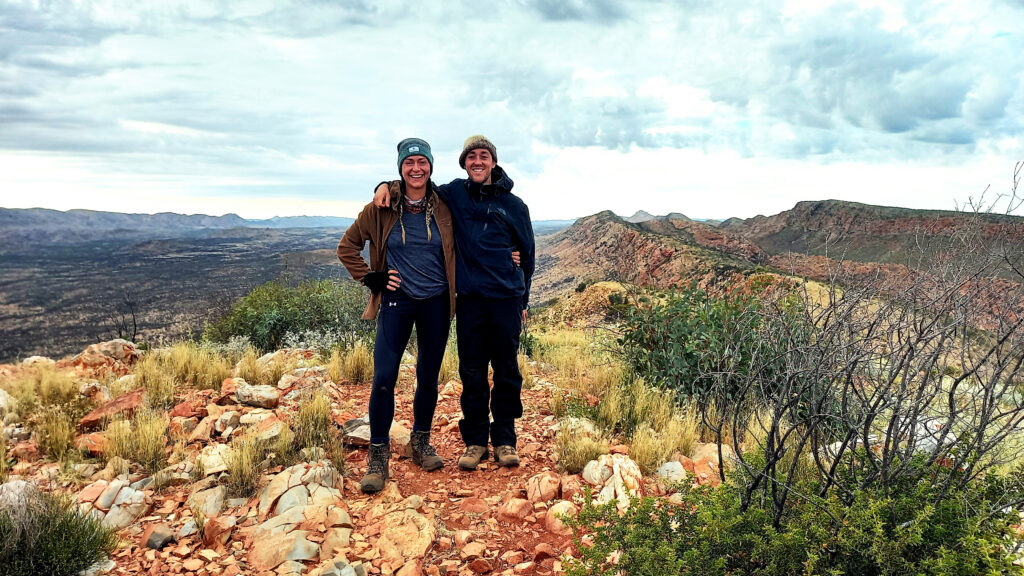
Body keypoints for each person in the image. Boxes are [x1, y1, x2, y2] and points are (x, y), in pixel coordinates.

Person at [374, 135, 535, 471]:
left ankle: (505, 439)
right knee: (472, 372)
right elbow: (417, 183)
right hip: (470, 300)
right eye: (471, 157)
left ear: (493, 161)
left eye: (484, 156)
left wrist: (524, 299)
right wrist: (385, 184)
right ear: (464, 163)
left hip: (506, 298)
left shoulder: (515, 206)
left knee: (506, 370)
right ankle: (475, 441)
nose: (478, 162)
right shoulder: (454, 194)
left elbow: (528, 255)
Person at [337, 138, 457, 493]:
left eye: (422, 162)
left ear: (431, 166)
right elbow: (347, 247)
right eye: (409, 163)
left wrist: (512, 252)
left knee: (428, 375)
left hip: (436, 301)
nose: (416, 168)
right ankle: (378, 454)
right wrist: (369, 277)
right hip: (396, 301)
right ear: (400, 168)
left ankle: (420, 442)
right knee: (385, 376)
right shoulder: (381, 207)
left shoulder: (447, 205)